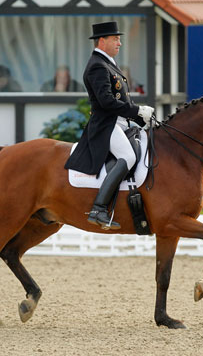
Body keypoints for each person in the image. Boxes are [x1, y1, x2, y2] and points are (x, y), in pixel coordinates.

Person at [64, 21, 154, 230]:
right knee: (128, 157)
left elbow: (122, 100)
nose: (120, 43)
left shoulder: (108, 63)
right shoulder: (97, 65)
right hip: (106, 125)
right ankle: (99, 208)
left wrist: (140, 117)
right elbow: (106, 102)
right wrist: (137, 111)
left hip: (119, 122)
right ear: (102, 41)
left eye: (119, 39)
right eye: (116, 39)